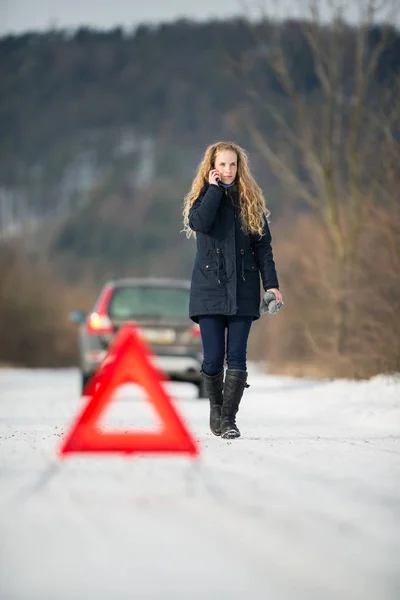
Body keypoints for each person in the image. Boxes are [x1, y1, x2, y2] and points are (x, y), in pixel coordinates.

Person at [182, 141, 283, 440]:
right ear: (212, 168)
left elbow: (263, 248)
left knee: (237, 356)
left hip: (244, 288)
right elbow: (199, 223)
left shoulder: (249, 200)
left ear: (240, 167)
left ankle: (229, 420)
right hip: (208, 289)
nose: (228, 170)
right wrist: (214, 190)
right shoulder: (202, 198)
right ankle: (216, 409)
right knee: (213, 359)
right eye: (222, 165)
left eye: (232, 165)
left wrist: (272, 285)